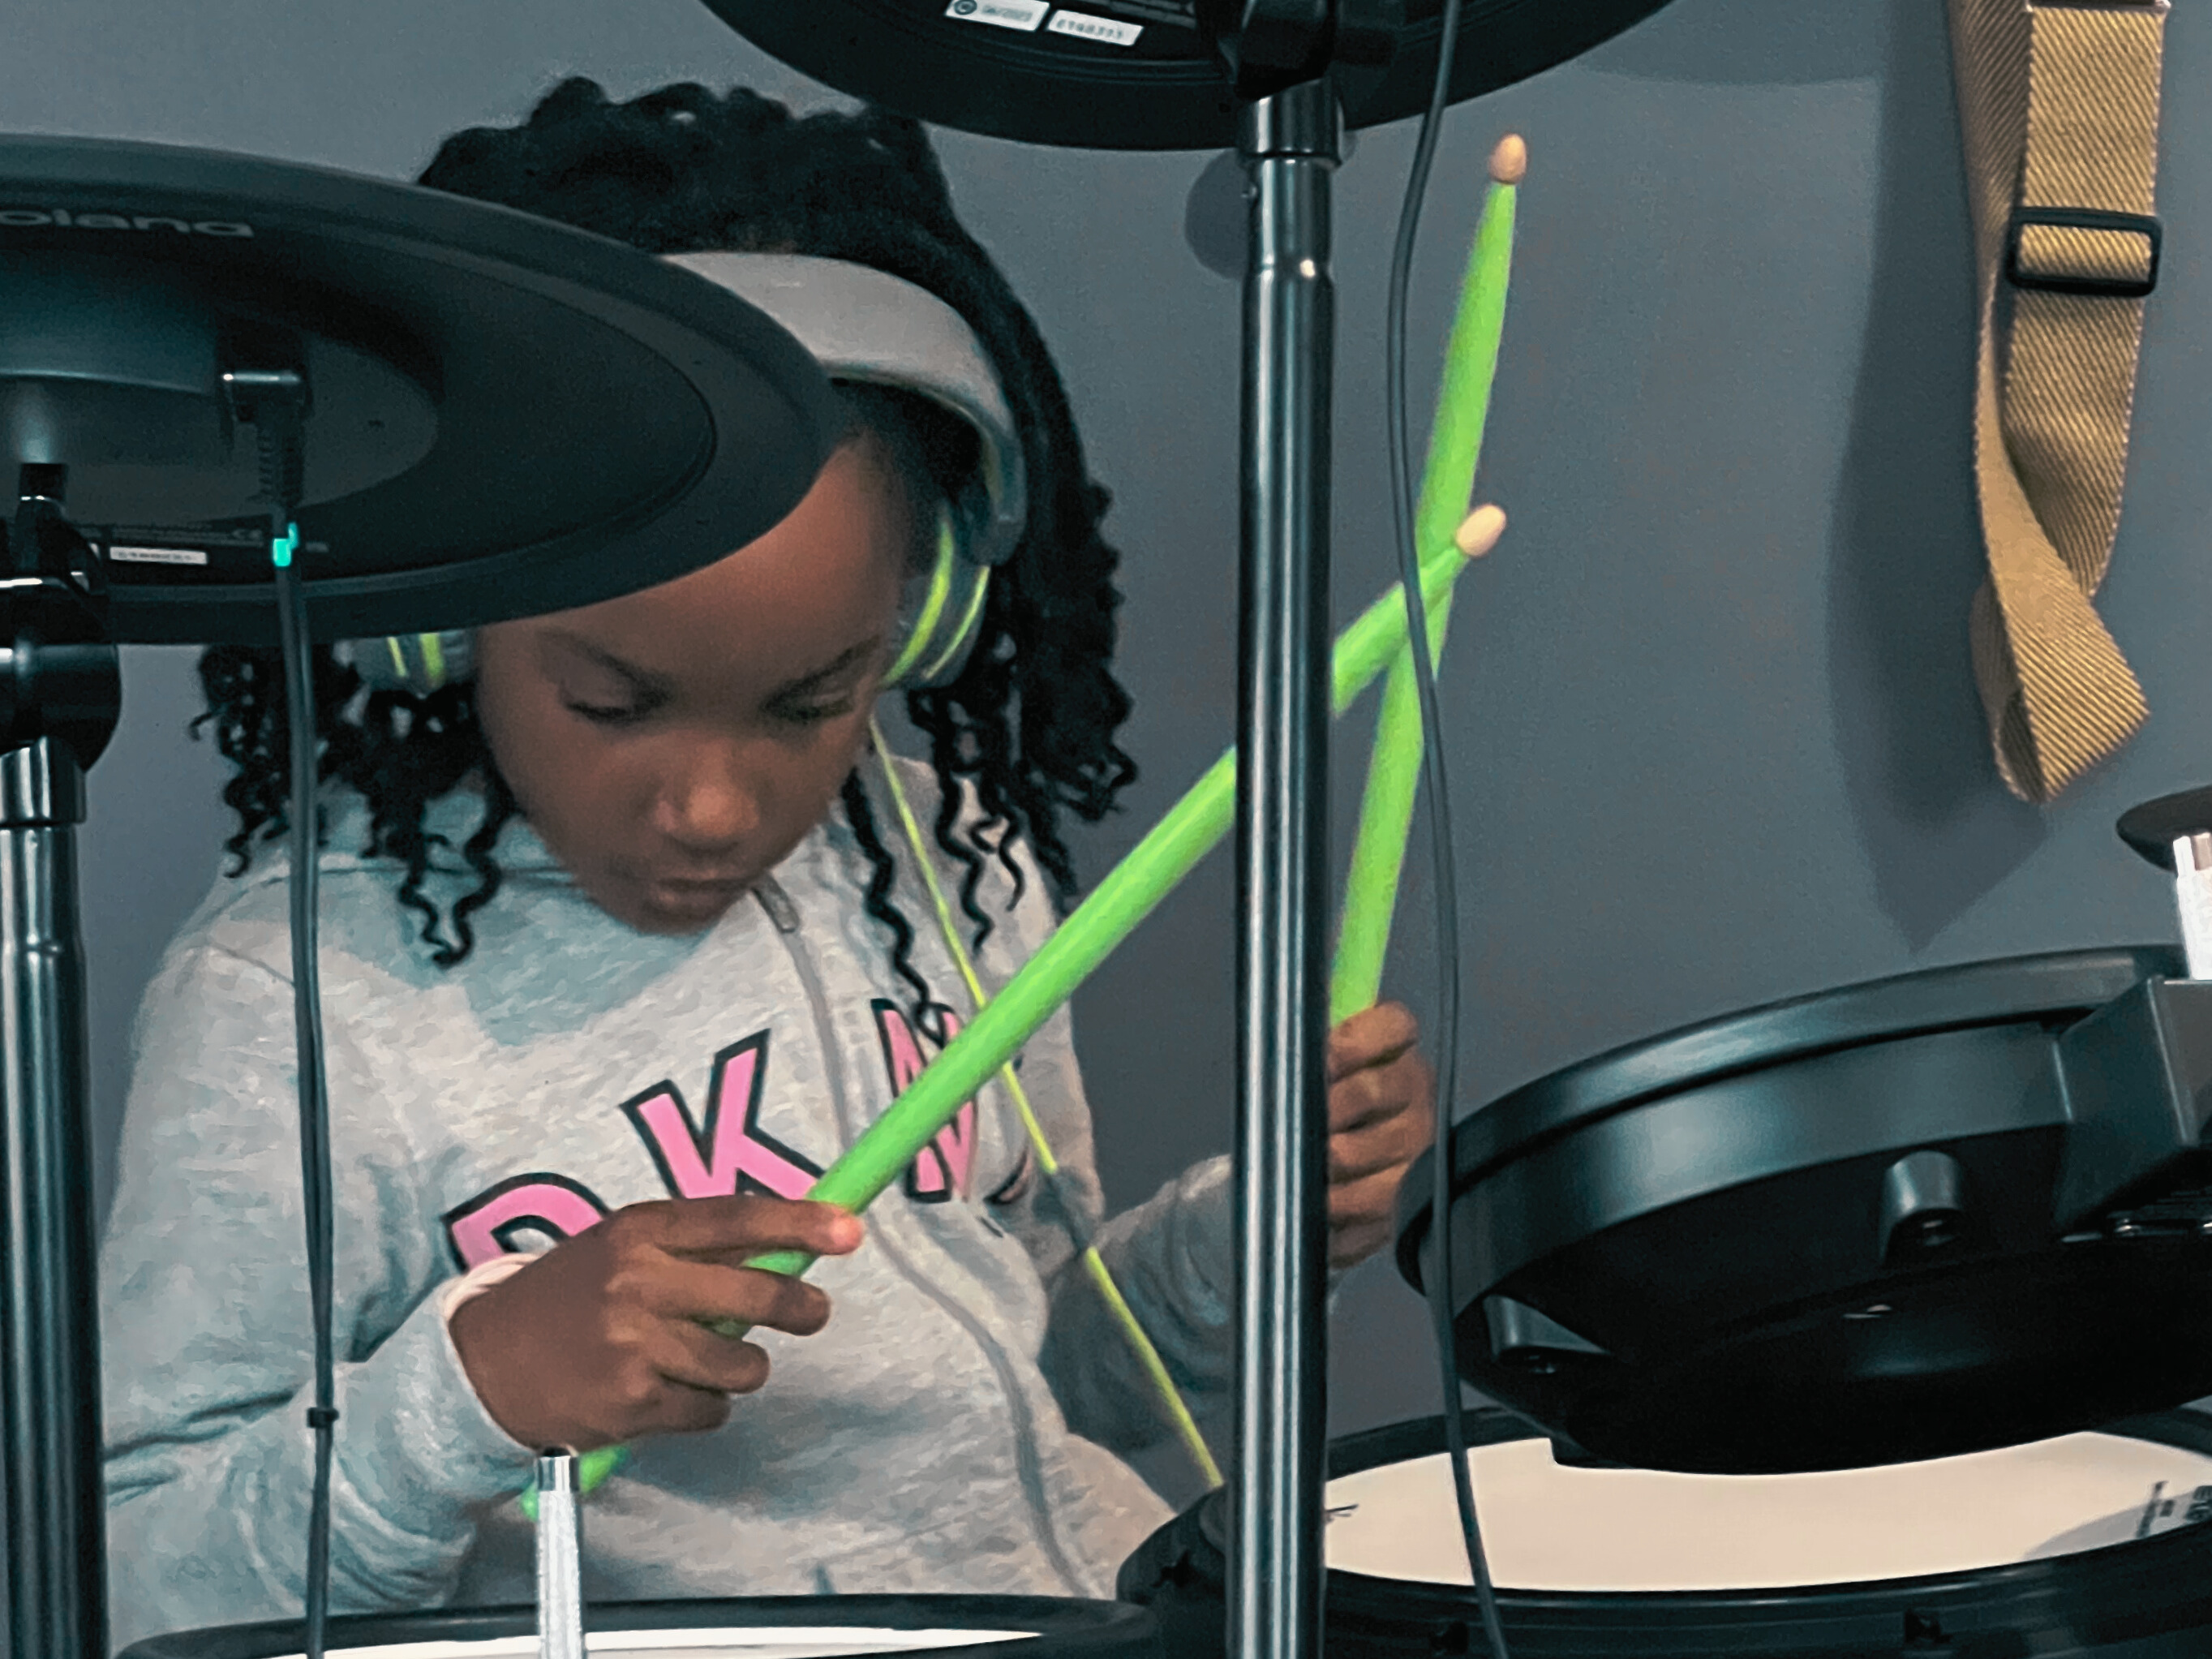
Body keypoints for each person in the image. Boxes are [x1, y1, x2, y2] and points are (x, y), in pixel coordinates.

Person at [98, 80, 1434, 1648]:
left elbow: (1038, 1371)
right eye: (616, 699)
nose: (720, 808)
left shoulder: (943, 857)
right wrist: (463, 1398)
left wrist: (1242, 1242)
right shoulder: (291, 1000)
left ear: (924, 626)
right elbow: (138, 1571)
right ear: (444, 624)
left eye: (817, 699)